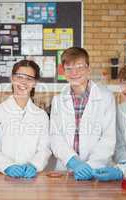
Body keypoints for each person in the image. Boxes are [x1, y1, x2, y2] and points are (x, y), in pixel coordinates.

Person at [50, 47, 116, 181]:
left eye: (80, 67)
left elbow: (108, 138)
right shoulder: (57, 100)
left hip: (97, 171)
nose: (74, 72)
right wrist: (73, 162)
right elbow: (55, 137)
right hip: (66, 170)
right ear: (63, 71)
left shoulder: (106, 97)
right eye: (69, 68)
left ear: (88, 69)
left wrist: (90, 166)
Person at [0, 60, 51, 178]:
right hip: (2, 178)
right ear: (12, 79)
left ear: (35, 83)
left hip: (32, 179)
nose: (23, 82)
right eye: (19, 77)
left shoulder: (41, 116)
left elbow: (44, 149)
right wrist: (7, 166)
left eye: (29, 78)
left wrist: (33, 165)